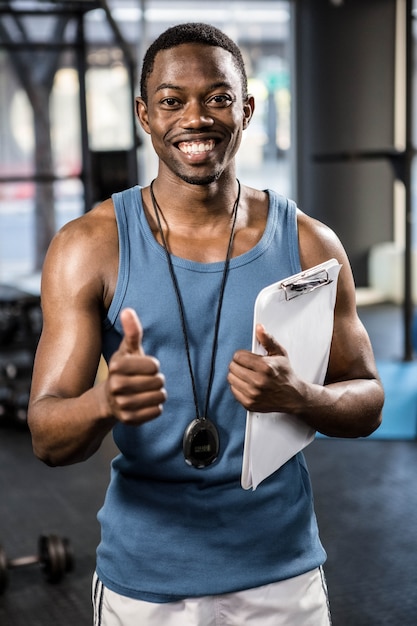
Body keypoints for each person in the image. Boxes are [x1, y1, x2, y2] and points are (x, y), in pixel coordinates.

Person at [28, 22, 384, 626]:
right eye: (172, 101)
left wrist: (302, 396)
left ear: (245, 109)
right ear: (145, 114)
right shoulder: (90, 246)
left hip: (280, 569)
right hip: (145, 578)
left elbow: (369, 397)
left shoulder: (308, 242)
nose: (197, 118)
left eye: (218, 98)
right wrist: (102, 403)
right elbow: (46, 434)